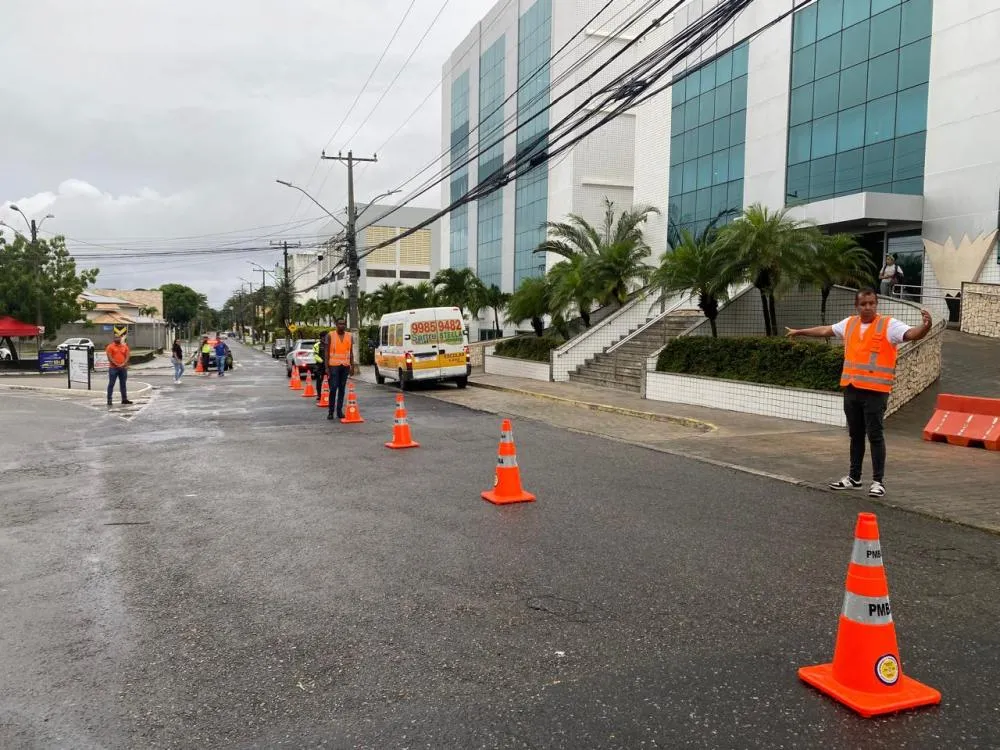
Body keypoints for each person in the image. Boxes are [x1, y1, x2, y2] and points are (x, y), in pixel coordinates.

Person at [786, 288, 932, 498]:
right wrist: (800, 332)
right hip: (852, 389)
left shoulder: (888, 325)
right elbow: (826, 330)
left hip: (875, 392)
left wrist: (925, 326)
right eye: (863, 304)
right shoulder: (850, 324)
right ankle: (854, 477)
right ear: (857, 306)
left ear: (876, 304)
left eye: (872, 303)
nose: (868, 307)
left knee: (875, 435)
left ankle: (878, 481)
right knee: (855, 435)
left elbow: (911, 334)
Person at [326, 318, 356, 421]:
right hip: (333, 365)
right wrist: (326, 367)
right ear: (336, 325)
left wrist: (352, 366)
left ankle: (339, 411)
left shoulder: (349, 336)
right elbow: (326, 352)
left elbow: (351, 352)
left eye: (343, 324)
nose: (342, 326)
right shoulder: (330, 335)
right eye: (340, 324)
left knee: (342, 389)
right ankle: (331, 412)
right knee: (333, 388)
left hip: (345, 366)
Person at [105, 335, 133, 407]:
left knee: (123, 384)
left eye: (118, 337)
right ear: (113, 339)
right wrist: (116, 364)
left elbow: (127, 356)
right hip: (113, 368)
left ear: (120, 338)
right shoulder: (110, 347)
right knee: (111, 384)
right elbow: (109, 357)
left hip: (123, 368)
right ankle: (109, 400)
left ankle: (124, 399)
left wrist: (124, 363)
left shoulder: (125, 347)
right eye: (116, 337)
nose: (117, 339)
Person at [312, 331, 328, 403]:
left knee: (330, 381)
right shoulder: (317, 345)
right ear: (322, 337)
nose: (326, 338)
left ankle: (329, 394)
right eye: (325, 337)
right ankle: (319, 395)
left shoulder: (329, 344)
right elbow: (315, 355)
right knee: (319, 380)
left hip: (329, 366)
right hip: (320, 366)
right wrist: (322, 361)